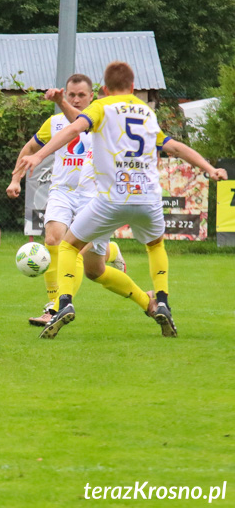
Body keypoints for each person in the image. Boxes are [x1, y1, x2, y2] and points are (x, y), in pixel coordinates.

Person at [15, 61, 228, 339]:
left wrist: (39, 156)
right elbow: (173, 146)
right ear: (133, 87)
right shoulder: (147, 113)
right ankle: (160, 300)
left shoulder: (101, 108)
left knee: (68, 247)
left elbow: (72, 129)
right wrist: (208, 168)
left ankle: (62, 304)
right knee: (149, 247)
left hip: (109, 199)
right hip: (148, 199)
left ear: (101, 90)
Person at [6, 75, 126, 327]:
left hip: (92, 194)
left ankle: (111, 251)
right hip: (62, 190)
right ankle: (53, 307)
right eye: (71, 95)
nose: (76, 99)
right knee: (52, 240)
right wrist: (15, 179)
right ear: (66, 94)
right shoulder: (55, 123)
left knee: (81, 254)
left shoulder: (99, 122)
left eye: (81, 95)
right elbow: (29, 149)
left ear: (92, 96)